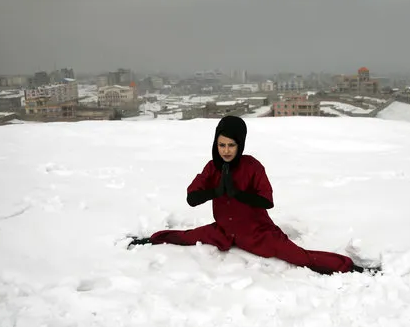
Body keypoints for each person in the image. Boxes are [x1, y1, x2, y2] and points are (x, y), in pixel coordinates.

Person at [129, 115, 379, 275]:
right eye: (221, 144)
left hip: (258, 235)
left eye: (231, 145)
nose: (226, 150)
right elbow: (192, 198)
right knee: (185, 236)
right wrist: (216, 191)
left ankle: (351, 268)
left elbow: (266, 201)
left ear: (240, 145)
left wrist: (237, 193)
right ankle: (150, 240)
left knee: (300, 257)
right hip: (224, 232)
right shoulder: (212, 167)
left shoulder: (252, 167)